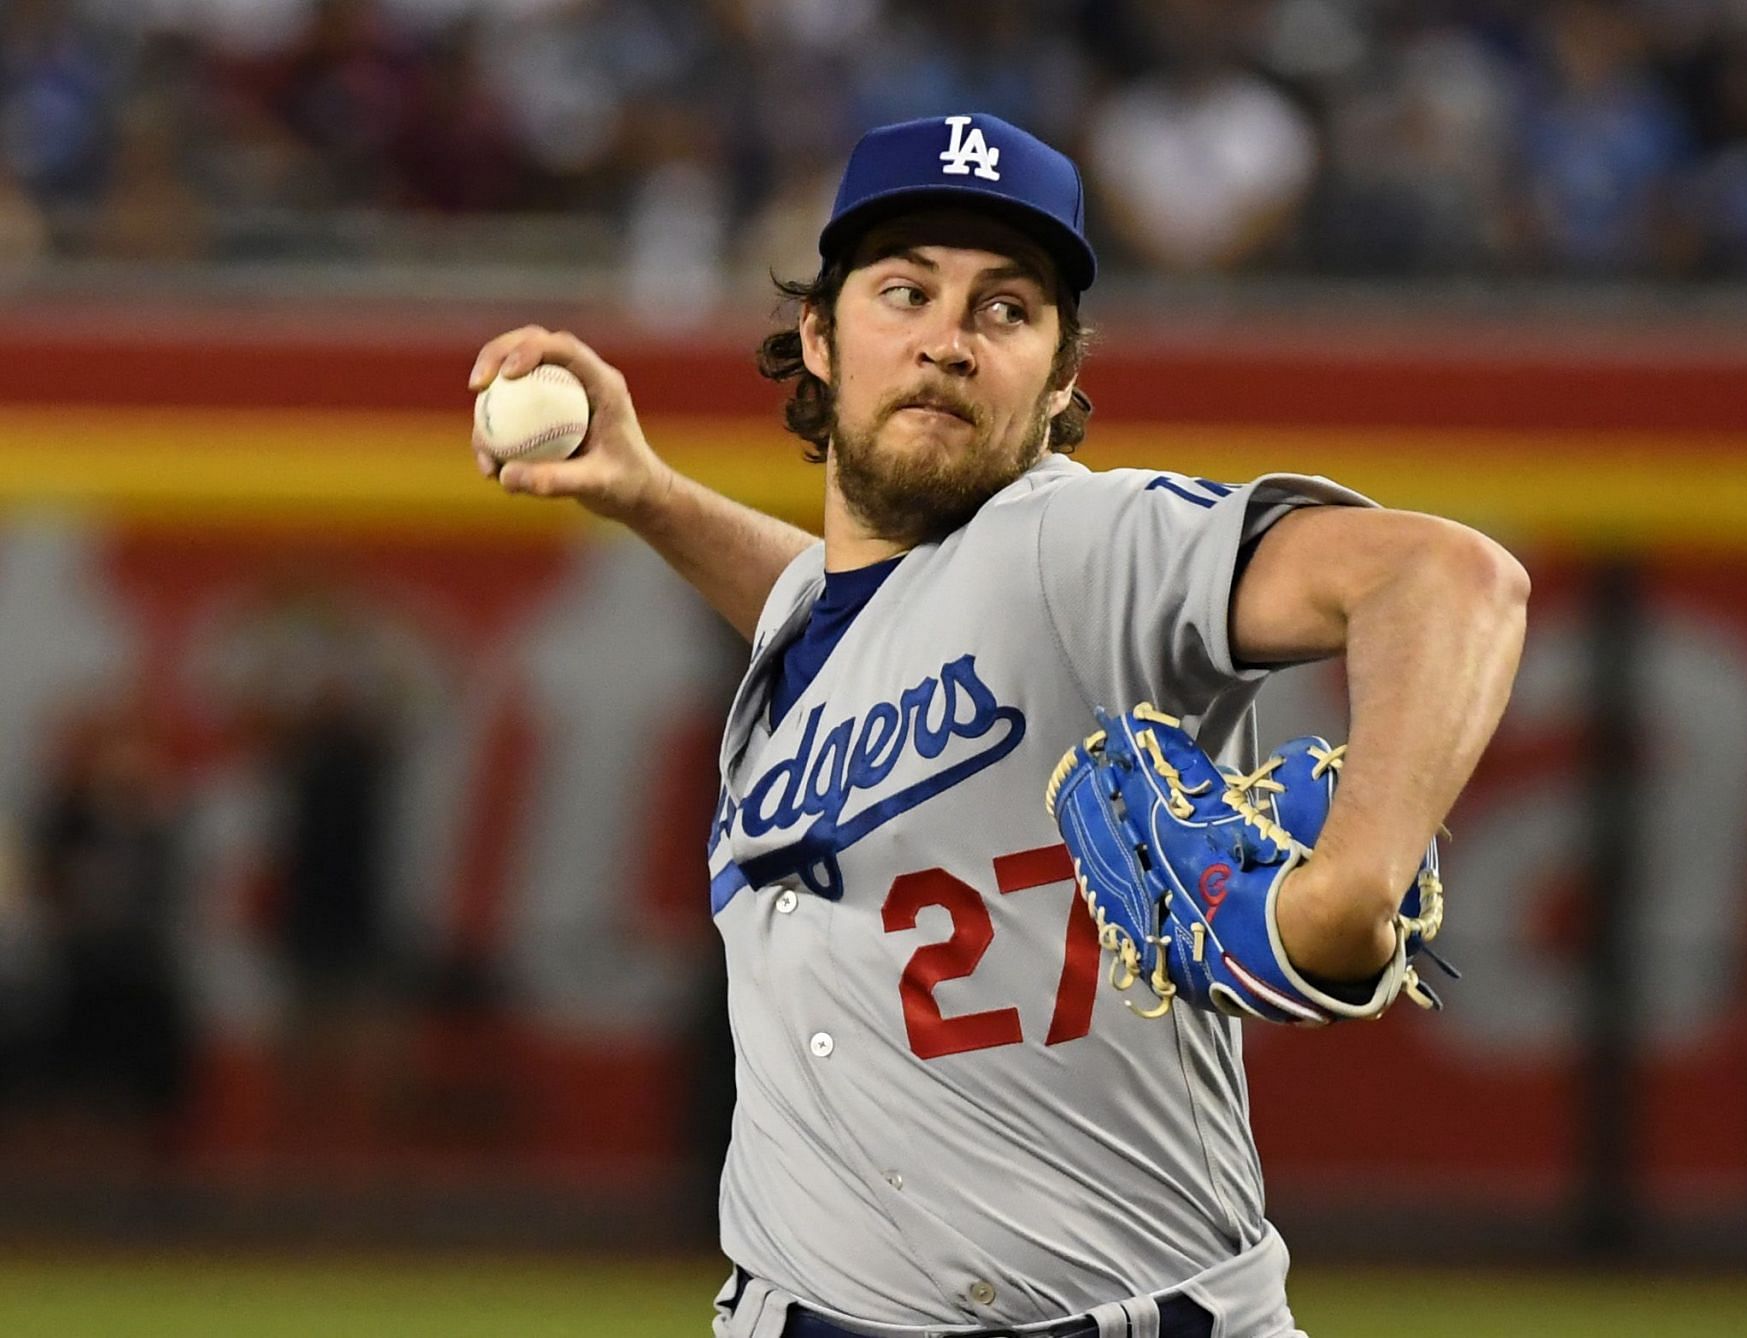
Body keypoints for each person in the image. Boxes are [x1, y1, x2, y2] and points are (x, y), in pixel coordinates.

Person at [469, 113, 1528, 1338]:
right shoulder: (820, 634)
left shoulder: (1080, 543)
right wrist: (650, 496)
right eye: (905, 292)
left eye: (1006, 310)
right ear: (818, 336)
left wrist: (1351, 884)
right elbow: (837, 606)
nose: (947, 343)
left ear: (1065, 377)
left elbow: (1450, 580)